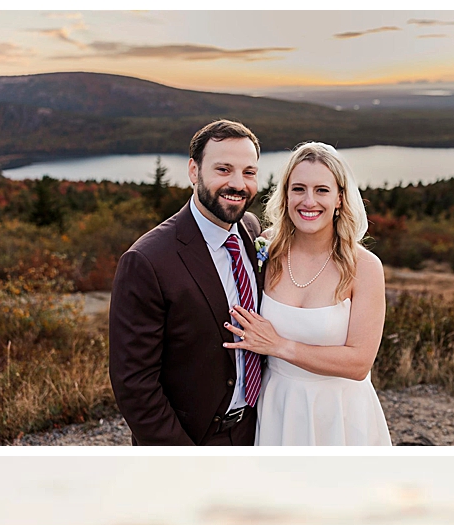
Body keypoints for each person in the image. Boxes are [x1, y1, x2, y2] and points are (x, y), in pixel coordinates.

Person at [107, 119, 268, 446]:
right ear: (194, 171)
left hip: (258, 429)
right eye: (223, 169)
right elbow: (135, 384)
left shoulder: (251, 229)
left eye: (249, 172)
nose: (238, 184)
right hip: (191, 440)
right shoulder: (147, 261)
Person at [231, 141, 392, 447]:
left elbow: (359, 363)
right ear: (286, 195)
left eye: (321, 190)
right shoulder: (268, 247)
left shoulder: (365, 267)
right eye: (298, 189)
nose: (308, 201)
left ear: (340, 199)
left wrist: (279, 346)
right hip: (277, 403)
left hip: (338, 412)